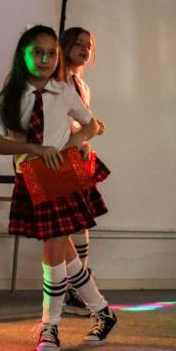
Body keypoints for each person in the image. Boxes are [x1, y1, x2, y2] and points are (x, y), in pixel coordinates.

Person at [0, 25, 117, 351]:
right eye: (38, 53)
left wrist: (72, 143)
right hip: (32, 176)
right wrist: (35, 148)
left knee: (53, 252)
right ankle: (103, 312)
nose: (45, 59)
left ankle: (50, 326)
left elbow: (92, 124)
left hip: (63, 176)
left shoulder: (64, 91)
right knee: (65, 253)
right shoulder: (11, 96)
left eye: (51, 53)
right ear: (24, 55)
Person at [58, 26, 109, 316]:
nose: (84, 49)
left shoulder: (82, 85)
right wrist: (82, 133)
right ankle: (74, 286)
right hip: (59, 156)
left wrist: (89, 132)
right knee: (62, 228)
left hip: (77, 156)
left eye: (88, 45)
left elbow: (79, 120)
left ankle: (76, 286)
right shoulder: (58, 81)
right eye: (77, 44)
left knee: (80, 223)